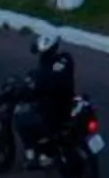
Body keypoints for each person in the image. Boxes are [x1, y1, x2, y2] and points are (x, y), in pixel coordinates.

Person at [16, 29, 78, 162]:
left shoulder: (41, 75)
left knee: (20, 117)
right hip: (67, 105)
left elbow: (31, 92)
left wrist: (26, 90)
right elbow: (55, 71)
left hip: (52, 114)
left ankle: (34, 152)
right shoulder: (67, 59)